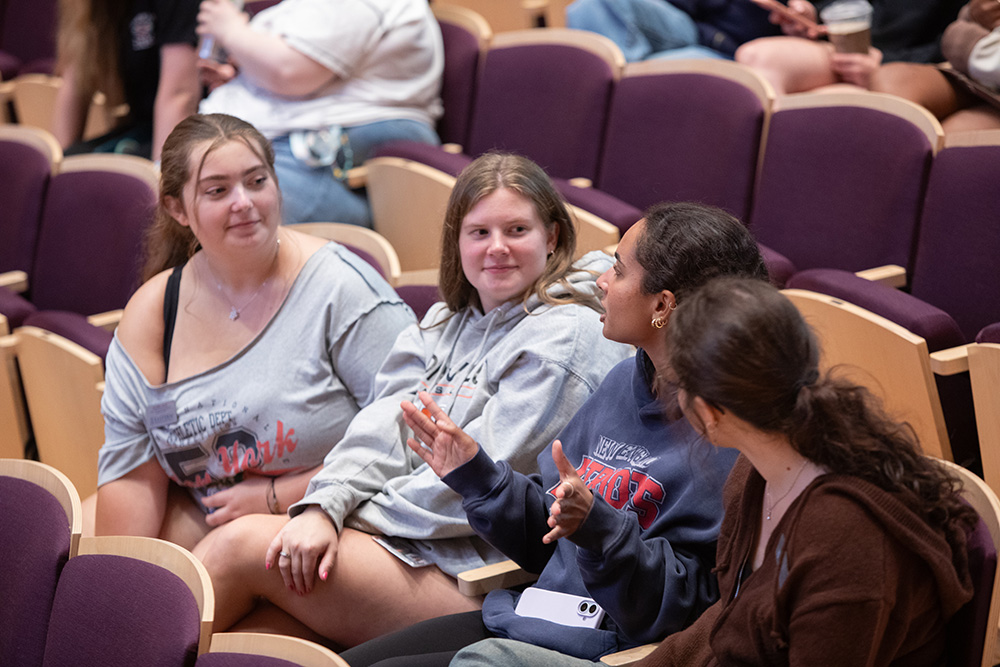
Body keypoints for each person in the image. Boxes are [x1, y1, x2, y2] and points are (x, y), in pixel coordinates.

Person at [191, 152, 632, 647]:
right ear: (456, 242)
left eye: (516, 231)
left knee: (239, 547)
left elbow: (482, 481)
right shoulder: (443, 322)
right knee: (252, 640)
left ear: (551, 237)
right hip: (401, 538)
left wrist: (349, 517)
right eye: (479, 233)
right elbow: (382, 428)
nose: (497, 249)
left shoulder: (566, 335)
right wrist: (324, 505)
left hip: (480, 570)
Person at [449, 276, 976, 667]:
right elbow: (723, 623)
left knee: (486, 663)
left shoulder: (847, 543)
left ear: (710, 412)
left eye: (676, 385)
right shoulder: (754, 477)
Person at [336, 202, 770, 667]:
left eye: (619, 270)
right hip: (537, 617)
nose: (601, 280)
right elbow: (552, 534)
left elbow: (683, 609)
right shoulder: (624, 382)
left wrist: (598, 528)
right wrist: (478, 476)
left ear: (662, 305)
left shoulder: (731, 437)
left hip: (611, 650)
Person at [95, 113, 415, 550]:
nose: (243, 202)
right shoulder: (154, 311)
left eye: (256, 181)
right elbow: (131, 476)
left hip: (342, 518)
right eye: (218, 191)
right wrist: (120, 579)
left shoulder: (342, 288)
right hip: (215, 514)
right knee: (88, 551)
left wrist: (275, 496)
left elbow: (413, 436)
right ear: (177, 208)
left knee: (229, 554)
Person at [195, 0, 443, 227]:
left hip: (310, 159)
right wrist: (247, 71)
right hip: (267, 142)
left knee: (189, 211)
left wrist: (231, 30)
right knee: (175, 195)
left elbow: (290, 72)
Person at [52, 0, 202, 161]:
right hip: (144, 127)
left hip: (193, 130)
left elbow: (180, 97)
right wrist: (53, 170)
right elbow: (74, 82)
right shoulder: (88, 7)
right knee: (72, 160)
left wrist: (162, 181)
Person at [735, 0, 964, 94]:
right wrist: (811, 15)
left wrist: (885, 63)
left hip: (919, 66)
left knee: (843, 98)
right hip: (842, 45)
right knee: (755, 57)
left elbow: (960, 42)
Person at [870, 0, 1000, 133]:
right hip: (973, 70)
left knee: (957, 133)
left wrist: (973, 46)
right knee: (891, 84)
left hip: (982, 63)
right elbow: (963, 22)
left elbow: (954, 39)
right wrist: (974, 14)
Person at [566, 0, 781, 62]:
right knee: (585, 7)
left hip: (727, 44)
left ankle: (622, 84)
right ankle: (624, 79)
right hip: (683, 21)